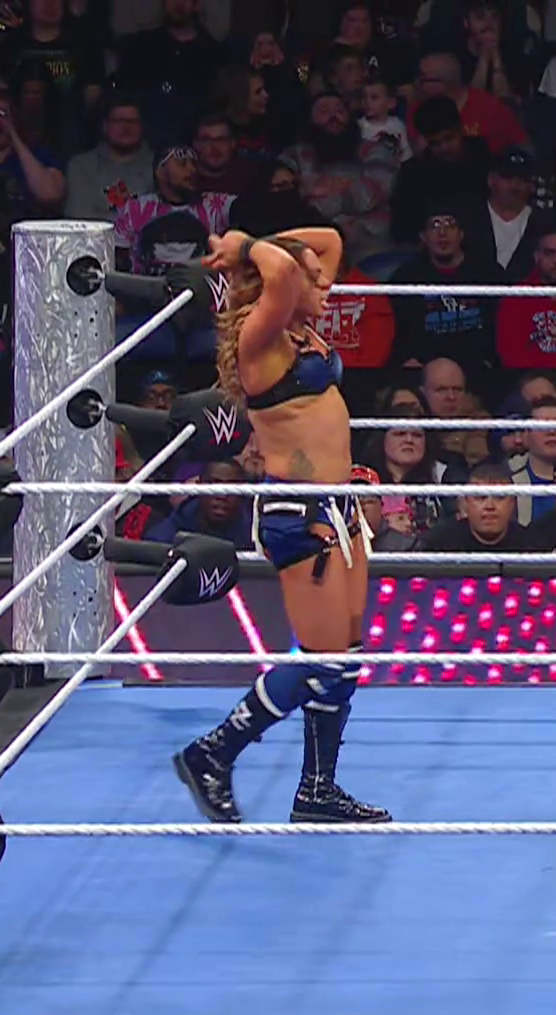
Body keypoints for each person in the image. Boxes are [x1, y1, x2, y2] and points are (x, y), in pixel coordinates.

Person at [172, 225, 390, 825]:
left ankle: (317, 790)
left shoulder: (299, 324)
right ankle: (211, 753)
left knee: (344, 655)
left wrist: (255, 244)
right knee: (321, 657)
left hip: (339, 506)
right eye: (312, 279)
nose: (326, 284)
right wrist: (247, 249)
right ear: (282, 285)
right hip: (301, 514)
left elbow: (331, 240)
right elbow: (291, 270)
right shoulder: (260, 338)